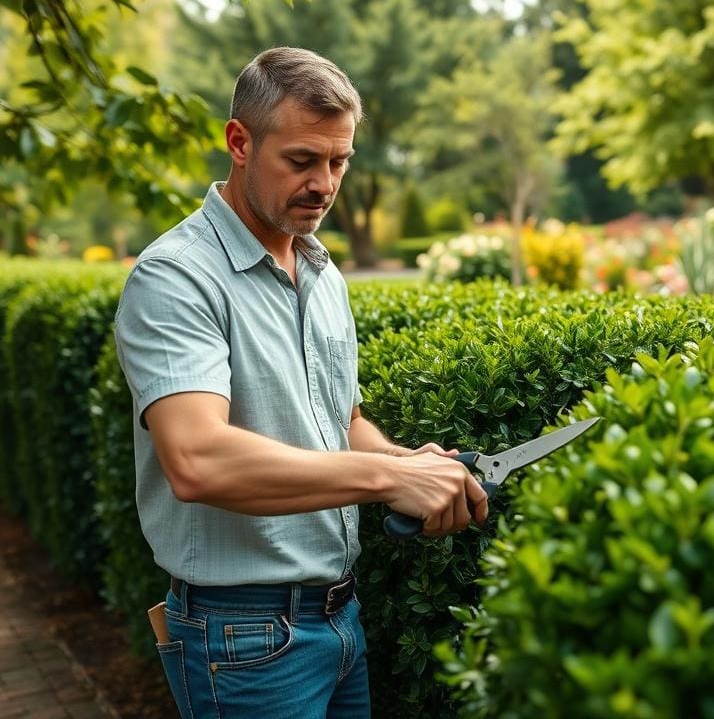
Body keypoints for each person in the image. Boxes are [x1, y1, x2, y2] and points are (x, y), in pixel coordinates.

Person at [113, 46, 488, 719]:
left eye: (338, 161)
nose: (325, 183)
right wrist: (388, 481)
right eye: (301, 161)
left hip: (341, 619)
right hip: (243, 638)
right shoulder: (175, 278)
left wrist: (408, 462)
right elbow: (196, 459)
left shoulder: (322, 271)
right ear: (238, 142)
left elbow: (337, 420)